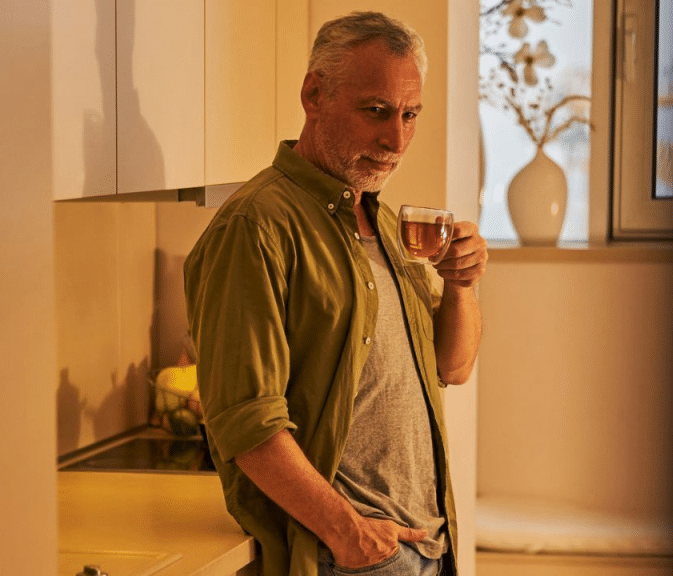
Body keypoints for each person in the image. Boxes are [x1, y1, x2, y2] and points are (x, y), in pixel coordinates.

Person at [184, 11, 487, 576]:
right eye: (376, 111)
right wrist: (350, 535)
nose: (396, 139)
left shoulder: (386, 225)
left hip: (426, 547)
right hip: (343, 558)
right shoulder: (255, 227)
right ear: (314, 94)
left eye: (409, 115)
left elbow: (452, 366)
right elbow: (246, 422)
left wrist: (462, 284)